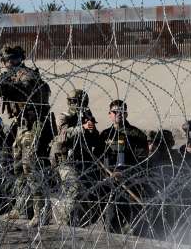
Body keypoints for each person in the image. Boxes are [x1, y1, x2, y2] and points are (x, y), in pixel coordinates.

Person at [0, 45, 54, 227]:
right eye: (6, 61)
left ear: (19, 59)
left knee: (31, 168)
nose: (9, 64)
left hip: (33, 125)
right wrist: (0, 84)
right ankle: (21, 208)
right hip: (20, 126)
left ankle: (41, 213)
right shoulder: (8, 76)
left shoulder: (27, 74)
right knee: (18, 168)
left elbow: (26, 89)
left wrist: (7, 85)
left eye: (12, 60)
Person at [49, 89, 103, 227]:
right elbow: (62, 137)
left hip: (83, 162)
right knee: (75, 189)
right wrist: (82, 128)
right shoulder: (63, 116)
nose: (76, 104)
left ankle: (80, 224)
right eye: (74, 102)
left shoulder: (87, 116)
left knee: (90, 194)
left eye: (79, 102)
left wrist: (92, 131)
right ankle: (64, 222)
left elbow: (95, 142)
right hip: (65, 161)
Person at [98, 99, 148, 233]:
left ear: (126, 114)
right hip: (109, 185)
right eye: (115, 111)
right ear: (109, 114)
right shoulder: (104, 135)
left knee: (132, 223)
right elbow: (99, 158)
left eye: (122, 111)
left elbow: (142, 160)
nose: (118, 114)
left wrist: (125, 173)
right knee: (110, 222)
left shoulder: (137, 135)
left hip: (130, 185)